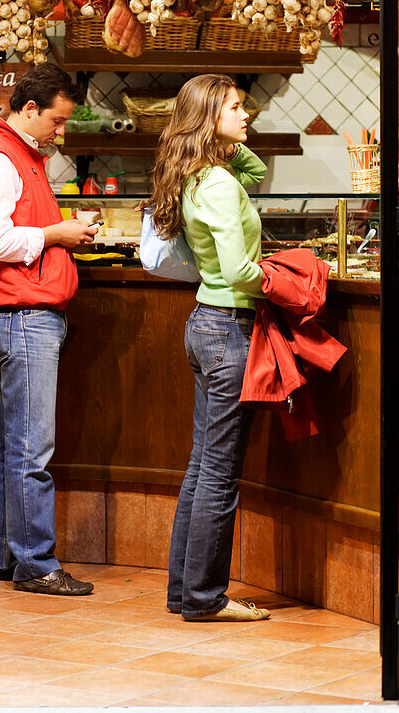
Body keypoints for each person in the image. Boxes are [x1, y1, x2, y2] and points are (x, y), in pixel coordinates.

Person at [0, 63, 99, 596]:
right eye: (57, 121)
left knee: (8, 446)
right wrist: (57, 233)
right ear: (28, 110)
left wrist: (58, 233)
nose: (61, 132)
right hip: (23, 314)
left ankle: (2, 556)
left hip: (27, 313)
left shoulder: (24, 156)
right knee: (30, 449)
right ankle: (36, 563)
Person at [143, 73, 271, 623]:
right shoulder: (218, 185)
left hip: (206, 326)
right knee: (219, 473)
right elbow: (241, 271)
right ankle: (203, 597)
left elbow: (256, 170)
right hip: (228, 330)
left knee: (203, 467)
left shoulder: (201, 174)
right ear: (209, 116)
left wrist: (230, 144)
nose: (248, 115)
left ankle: (183, 591)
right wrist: (288, 280)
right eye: (236, 108)